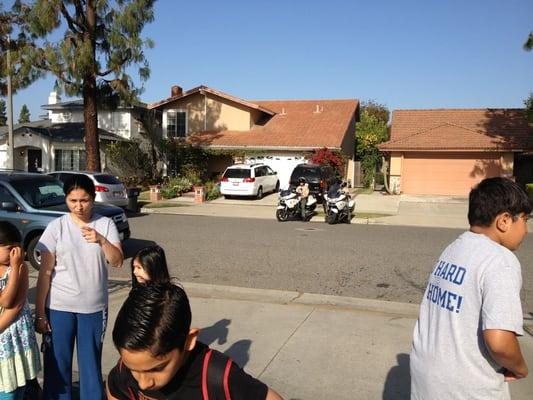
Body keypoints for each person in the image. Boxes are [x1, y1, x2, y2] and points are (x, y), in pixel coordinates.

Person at [410, 177, 531, 400]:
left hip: (426, 382)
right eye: (524, 220)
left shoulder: (454, 248)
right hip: (467, 389)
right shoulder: (500, 260)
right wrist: (521, 368)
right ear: (504, 221)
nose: (526, 230)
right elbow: (500, 341)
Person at [106, 283, 284, 400]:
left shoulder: (218, 376)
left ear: (188, 340)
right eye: (134, 369)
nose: (143, 383)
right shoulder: (125, 369)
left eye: (157, 368)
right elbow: (114, 388)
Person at [35, 174, 124, 400]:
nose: (79, 206)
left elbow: (117, 261)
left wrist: (102, 240)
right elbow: (45, 274)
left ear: (93, 198)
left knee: (90, 366)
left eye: (84, 200)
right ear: (66, 200)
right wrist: (40, 312)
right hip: (59, 306)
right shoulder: (56, 227)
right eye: (73, 201)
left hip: (93, 308)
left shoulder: (105, 224)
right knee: (57, 365)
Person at [0, 222, 41, 400]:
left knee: (18, 375)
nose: (14, 254)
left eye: (17, 248)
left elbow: (10, 303)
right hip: (2, 332)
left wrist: (15, 267)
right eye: (9, 249)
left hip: (14, 330)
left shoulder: (20, 268)